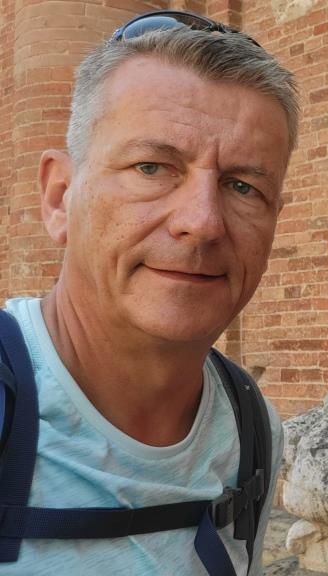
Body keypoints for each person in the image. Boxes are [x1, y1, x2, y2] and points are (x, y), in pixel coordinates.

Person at [0, 10, 298, 575]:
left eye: (242, 186)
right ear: (60, 197)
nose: (202, 222)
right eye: (152, 168)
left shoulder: (252, 429)